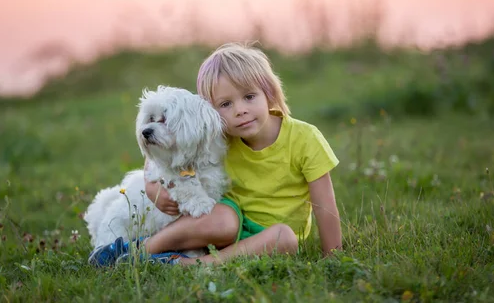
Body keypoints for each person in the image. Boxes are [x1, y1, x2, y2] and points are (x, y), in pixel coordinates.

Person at [89, 42, 341, 266]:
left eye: (249, 97)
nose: (240, 110)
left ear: (270, 93)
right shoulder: (220, 135)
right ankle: (137, 250)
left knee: (284, 237)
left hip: (270, 236)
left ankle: (194, 264)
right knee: (224, 219)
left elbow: (325, 206)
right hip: (222, 226)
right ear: (210, 112)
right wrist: (151, 187)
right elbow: (156, 147)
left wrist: (333, 257)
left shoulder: (305, 139)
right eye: (225, 104)